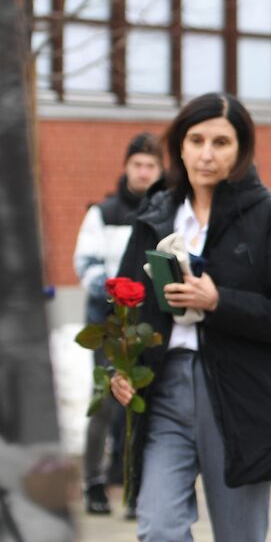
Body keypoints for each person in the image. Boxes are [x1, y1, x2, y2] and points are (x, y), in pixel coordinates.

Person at [110, 93, 271, 542]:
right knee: (159, 531)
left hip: (239, 396)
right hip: (165, 389)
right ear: (180, 144)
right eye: (196, 140)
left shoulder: (270, 217)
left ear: (241, 150)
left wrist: (220, 300)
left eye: (221, 142)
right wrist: (119, 366)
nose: (206, 154)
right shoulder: (153, 213)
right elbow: (123, 303)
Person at [73, 132, 161, 516]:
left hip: (150, 325)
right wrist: (116, 294)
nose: (143, 172)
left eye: (151, 166)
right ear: (126, 167)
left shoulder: (165, 211)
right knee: (106, 401)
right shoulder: (103, 213)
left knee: (142, 405)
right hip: (107, 325)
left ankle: (132, 484)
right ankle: (93, 482)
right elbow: (86, 265)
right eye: (138, 164)